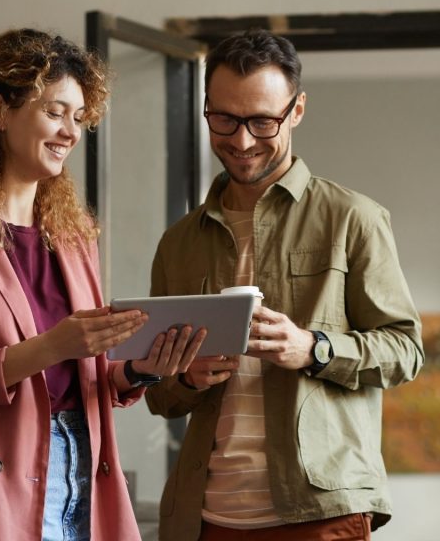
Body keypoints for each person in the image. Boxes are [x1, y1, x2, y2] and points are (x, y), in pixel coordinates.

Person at [0, 28, 204, 541]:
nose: (71, 132)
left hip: (85, 474)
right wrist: (50, 346)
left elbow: (83, 373)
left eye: (79, 118)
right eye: (55, 112)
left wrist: (140, 370)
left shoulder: (73, 235)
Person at [145, 28, 424, 541]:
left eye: (262, 121)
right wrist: (185, 376)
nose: (243, 139)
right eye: (224, 119)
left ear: (296, 111)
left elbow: (404, 351)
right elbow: (159, 398)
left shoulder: (352, 219)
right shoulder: (177, 243)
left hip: (320, 514)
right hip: (203, 519)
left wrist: (311, 348)